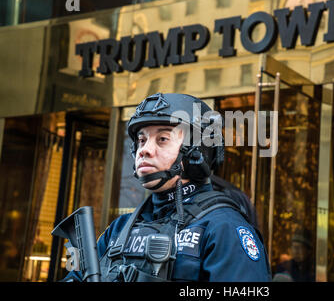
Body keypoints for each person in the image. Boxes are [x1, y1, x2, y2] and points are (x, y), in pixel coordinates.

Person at [63, 92, 271, 282]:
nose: (144, 150)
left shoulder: (224, 228)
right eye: (142, 140)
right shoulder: (120, 229)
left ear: (197, 151)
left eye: (162, 139)